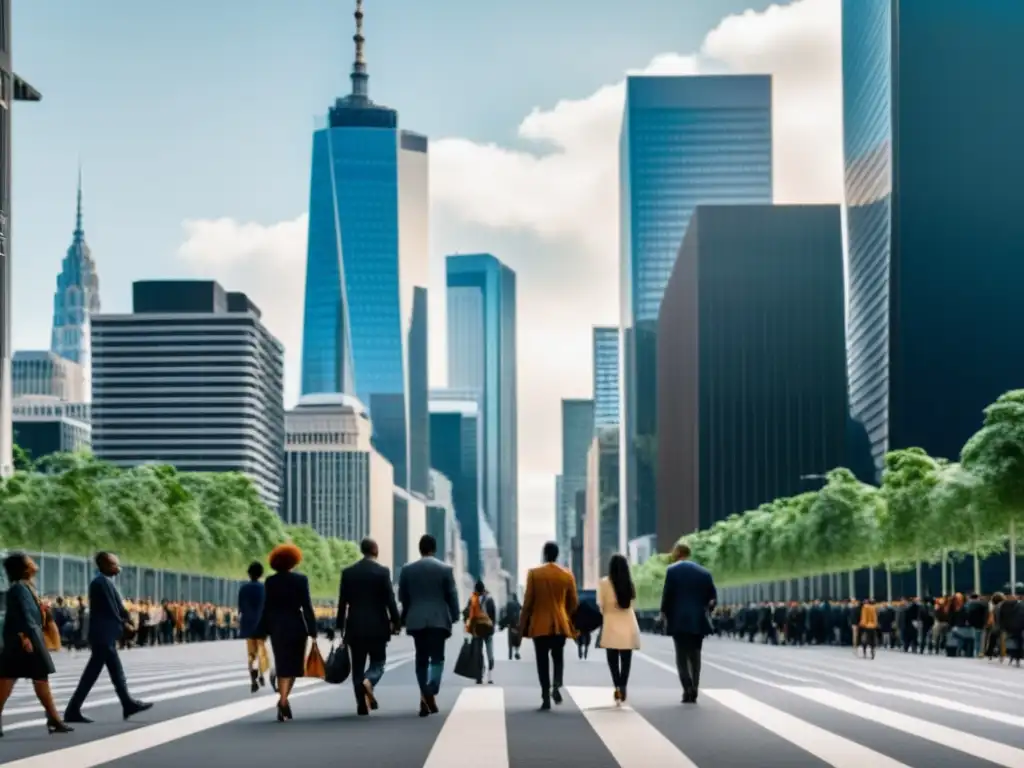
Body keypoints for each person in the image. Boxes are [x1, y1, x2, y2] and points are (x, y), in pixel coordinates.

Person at [64, 552, 152, 724]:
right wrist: (125, 625)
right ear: (104, 565)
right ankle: (73, 710)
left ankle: (127, 703)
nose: (117, 567)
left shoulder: (105, 582)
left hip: (105, 635)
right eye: (113, 564)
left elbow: (119, 607)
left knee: (114, 672)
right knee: (94, 674)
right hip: (102, 635)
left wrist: (127, 619)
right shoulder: (99, 583)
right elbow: (112, 609)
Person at [0, 553, 72, 736]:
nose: (34, 563)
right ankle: (54, 719)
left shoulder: (25, 587)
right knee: (25, 677)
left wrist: (41, 610)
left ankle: (54, 719)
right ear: (24, 568)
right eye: (30, 561)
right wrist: (25, 637)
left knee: (10, 678)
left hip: (26, 638)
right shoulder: (19, 589)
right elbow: (22, 615)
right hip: (26, 639)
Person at [398, 534, 460, 717]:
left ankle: (424, 697)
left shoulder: (407, 570)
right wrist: (455, 615)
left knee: (421, 659)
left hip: (417, 620)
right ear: (434, 549)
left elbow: (403, 596)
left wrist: (404, 616)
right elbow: (452, 595)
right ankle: (431, 689)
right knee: (437, 658)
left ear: (420, 549)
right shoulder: (445, 569)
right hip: (438, 620)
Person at [337, 537, 399, 716]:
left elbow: (343, 602)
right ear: (375, 551)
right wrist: (396, 620)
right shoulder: (382, 572)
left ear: (362, 551)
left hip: (355, 626)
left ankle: (361, 704)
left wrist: (339, 626)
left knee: (357, 665)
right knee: (378, 662)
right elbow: (390, 600)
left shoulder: (348, 573)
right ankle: (369, 681)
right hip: (378, 626)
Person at [256, 544, 317, 722]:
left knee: (282, 664)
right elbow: (307, 606)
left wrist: (264, 630)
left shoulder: (270, 582)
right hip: (297, 627)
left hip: (277, 628)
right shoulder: (301, 580)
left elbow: (266, 608)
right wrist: (313, 630)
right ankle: (283, 700)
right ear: (294, 560)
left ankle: (283, 700)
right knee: (295, 667)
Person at [519, 541, 578, 710]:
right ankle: (557, 685)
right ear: (557, 555)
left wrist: (521, 625)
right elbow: (573, 604)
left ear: (544, 554)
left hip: (539, 625)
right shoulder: (567, 575)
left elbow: (528, 602)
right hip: (560, 624)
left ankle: (545, 694)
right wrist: (566, 617)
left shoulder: (534, 574)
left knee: (542, 660)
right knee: (558, 658)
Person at [659, 541, 716, 704]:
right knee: (695, 655)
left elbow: (667, 596)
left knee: (681, 656)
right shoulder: (704, 573)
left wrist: (663, 614)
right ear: (688, 553)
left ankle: (687, 689)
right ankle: (695, 689)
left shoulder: (672, 571)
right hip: (698, 619)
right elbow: (712, 598)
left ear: (676, 554)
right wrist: (705, 611)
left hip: (678, 619)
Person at [598, 553, 641, 705]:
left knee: (612, 659)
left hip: (611, 624)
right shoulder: (629, 583)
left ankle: (616, 685)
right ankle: (623, 685)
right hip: (628, 624)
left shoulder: (604, 583)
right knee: (626, 659)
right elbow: (632, 603)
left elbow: (601, 605)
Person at [238, 561, 270, 694]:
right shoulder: (265, 589)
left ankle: (253, 679)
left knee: (251, 654)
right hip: (262, 625)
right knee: (262, 652)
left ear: (249, 573)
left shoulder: (243, 588)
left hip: (248, 626)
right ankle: (262, 674)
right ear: (261, 574)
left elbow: (241, 608)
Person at [466, 581, 496, 684]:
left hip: (476, 630)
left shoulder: (472, 599)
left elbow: (467, 614)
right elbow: (493, 615)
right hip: (487, 629)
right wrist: (493, 628)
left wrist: (468, 628)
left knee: (478, 653)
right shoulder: (489, 599)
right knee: (489, 653)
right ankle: (490, 676)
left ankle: (479, 676)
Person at [501, 594, 522, 660]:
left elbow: (505, 613)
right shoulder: (518, 604)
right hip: (517, 624)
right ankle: (516, 652)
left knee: (510, 640)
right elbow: (522, 610)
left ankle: (510, 655)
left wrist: (503, 624)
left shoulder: (509, 604)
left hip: (510, 624)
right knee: (516, 639)